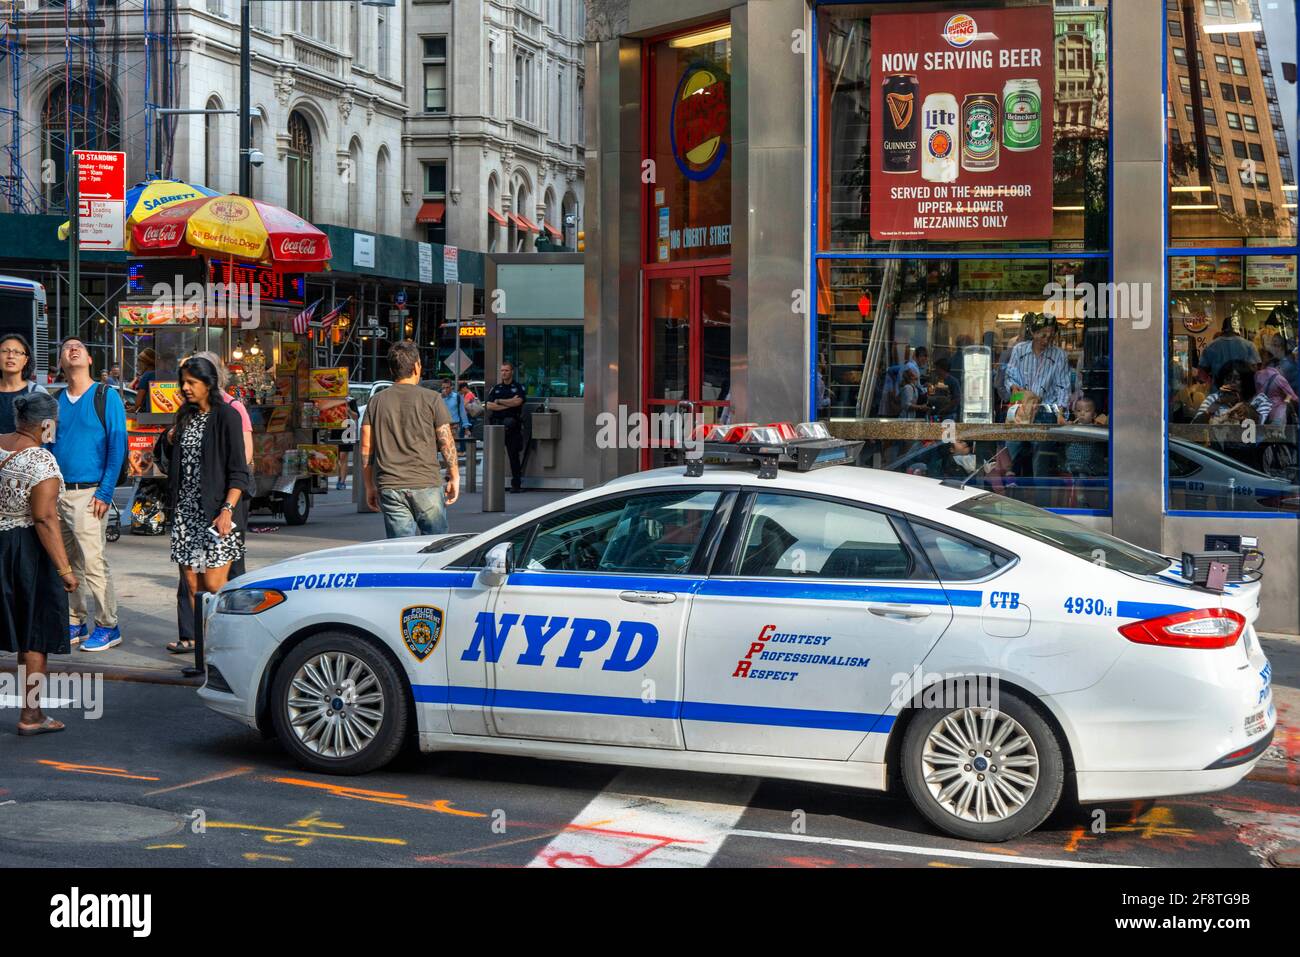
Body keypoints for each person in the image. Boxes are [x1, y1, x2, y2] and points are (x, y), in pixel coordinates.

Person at [154, 356, 250, 654]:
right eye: (183, 382)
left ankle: (228, 648)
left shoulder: (227, 416)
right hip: (187, 516)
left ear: (208, 384)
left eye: (191, 383)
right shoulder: (186, 416)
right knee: (193, 585)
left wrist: (227, 510)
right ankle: (203, 653)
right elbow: (171, 461)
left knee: (214, 585)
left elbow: (239, 471)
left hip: (216, 516)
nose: (185, 388)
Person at [1, 392, 79, 735]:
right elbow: (45, 518)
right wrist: (65, 570)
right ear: (46, 425)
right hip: (27, 551)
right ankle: (31, 716)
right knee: (35, 633)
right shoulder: (41, 463)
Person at [50, 337, 127, 652]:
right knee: (67, 563)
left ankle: (109, 626)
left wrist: (106, 491)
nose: (72, 348)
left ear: (90, 359)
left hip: (91, 492)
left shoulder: (106, 396)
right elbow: (46, 445)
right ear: (60, 362)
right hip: (58, 492)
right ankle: (75, 621)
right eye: (66, 347)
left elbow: (117, 446)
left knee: (94, 562)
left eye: (78, 346)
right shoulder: (53, 403)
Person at [361, 340, 460, 538]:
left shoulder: (376, 401)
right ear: (416, 366)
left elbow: (366, 447)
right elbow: (445, 440)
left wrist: (369, 485)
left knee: (401, 549)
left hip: (390, 484)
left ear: (391, 369)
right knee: (435, 545)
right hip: (426, 482)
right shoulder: (432, 398)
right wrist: (454, 476)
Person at [1002, 312, 1071, 478]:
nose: (1046, 340)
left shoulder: (1059, 355)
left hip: (1045, 411)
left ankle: (1040, 495)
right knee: (1011, 451)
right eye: (1042, 335)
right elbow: (1010, 377)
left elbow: (1063, 386)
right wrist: (1014, 389)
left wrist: (1060, 412)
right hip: (1022, 408)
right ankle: (1009, 488)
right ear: (1033, 333)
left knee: (1041, 459)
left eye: (1051, 336)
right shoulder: (1019, 350)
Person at [486, 361, 527, 492]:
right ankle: (495, 484)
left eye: (507, 370)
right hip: (497, 425)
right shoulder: (496, 388)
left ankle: (516, 484)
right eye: (502, 370)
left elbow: (518, 401)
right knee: (495, 457)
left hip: (512, 426)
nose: (504, 373)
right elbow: (488, 405)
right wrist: (508, 403)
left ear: (512, 372)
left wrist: (499, 401)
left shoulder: (518, 387)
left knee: (513, 456)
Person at [0, 333, 46, 434]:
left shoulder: (37, 392)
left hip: (26, 449)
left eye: (17, 352)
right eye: (5, 351)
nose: (10, 356)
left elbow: (47, 433)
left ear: (26, 360)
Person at [1199, 315, 1260, 382]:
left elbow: (1202, 371)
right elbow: (1255, 370)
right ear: (1238, 329)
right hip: (1241, 389)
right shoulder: (1249, 345)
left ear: (1222, 330)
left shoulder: (1211, 346)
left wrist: (1210, 381)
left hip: (1218, 389)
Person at [1256, 334, 1298, 425]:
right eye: (1272, 344)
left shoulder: (1286, 366)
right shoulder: (1277, 363)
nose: (1271, 347)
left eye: (1274, 344)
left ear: (1281, 347)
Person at [438, 378, 472, 446]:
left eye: (447, 387)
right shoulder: (439, 397)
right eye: (443, 388)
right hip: (443, 426)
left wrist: (466, 428)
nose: (445, 389)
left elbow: (462, 412)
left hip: (454, 426)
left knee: (454, 448)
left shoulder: (457, 397)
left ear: (451, 387)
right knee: (444, 449)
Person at [336, 398, 360, 490]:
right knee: (335, 456)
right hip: (334, 429)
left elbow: (356, 416)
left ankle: (342, 481)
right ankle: (340, 475)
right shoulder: (332, 400)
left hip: (347, 429)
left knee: (343, 456)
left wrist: (348, 409)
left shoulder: (351, 401)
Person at [130, 348, 157, 413]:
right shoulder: (159, 374)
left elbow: (138, 404)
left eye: (139, 361)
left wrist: (133, 408)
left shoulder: (147, 375)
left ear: (146, 363)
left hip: (148, 417)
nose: (137, 365)